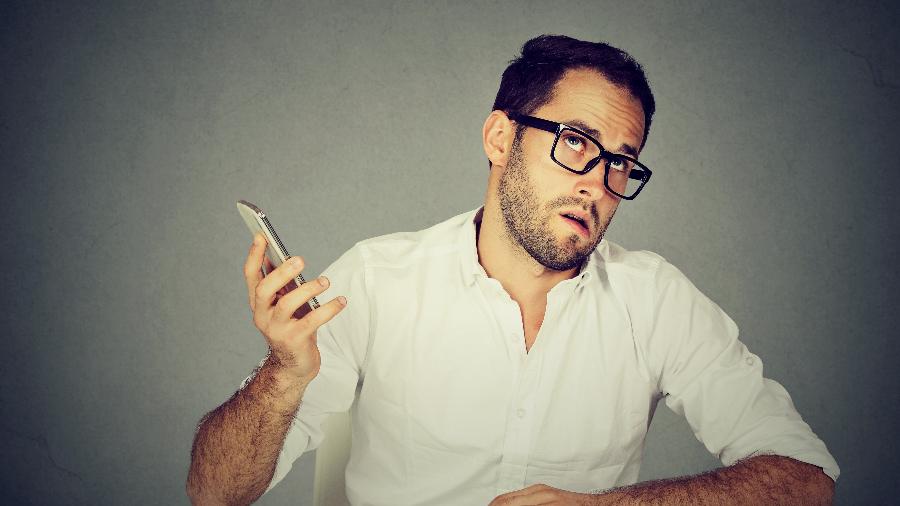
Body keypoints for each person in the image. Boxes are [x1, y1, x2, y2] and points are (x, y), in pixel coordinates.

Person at [187, 35, 839, 505]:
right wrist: (280, 379)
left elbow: (805, 475)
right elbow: (214, 494)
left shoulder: (655, 300)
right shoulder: (381, 280)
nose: (598, 185)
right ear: (500, 139)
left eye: (621, 163)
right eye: (576, 143)